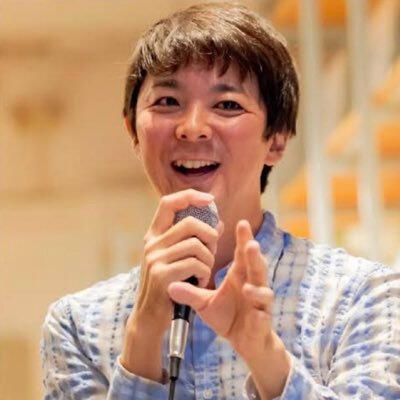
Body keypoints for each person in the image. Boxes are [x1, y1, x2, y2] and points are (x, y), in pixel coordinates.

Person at [41, 2, 400, 399]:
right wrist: (143, 336)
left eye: (227, 105)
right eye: (167, 101)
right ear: (133, 132)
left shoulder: (362, 297)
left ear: (276, 140)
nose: (192, 128)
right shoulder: (76, 327)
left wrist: (265, 357)